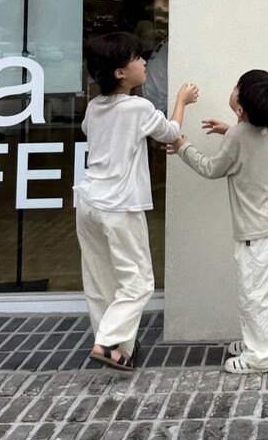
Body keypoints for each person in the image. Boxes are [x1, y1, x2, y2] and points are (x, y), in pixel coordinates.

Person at [75, 31, 199, 371]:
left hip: (88, 200)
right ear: (120, 73)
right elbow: (171, 132)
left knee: (101, 280)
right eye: (136, 58)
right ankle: (107, 342)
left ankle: (120, 348)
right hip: (120, 204)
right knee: (138, 281)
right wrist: (182, 101)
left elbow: (90, 130)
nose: (145, 62)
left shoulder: (94, 106)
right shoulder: (138, 107)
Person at [172, 69, 268, 374]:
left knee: (255, 296)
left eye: (237, 88)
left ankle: (262, 357)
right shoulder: (264, 131)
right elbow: (245, 146)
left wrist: (183, 146)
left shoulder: (239, 136)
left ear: (240, 110)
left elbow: (212, 168)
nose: (234, 88)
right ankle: (255, 342)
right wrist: (229, 131)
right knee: (263, 291)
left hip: (256, 233)